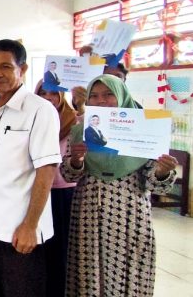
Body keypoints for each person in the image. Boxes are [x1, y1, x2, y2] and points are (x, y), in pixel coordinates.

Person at [62, 74, 178, 297]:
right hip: (88, 212)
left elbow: (156, 184)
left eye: (108, 95)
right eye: (94, 96)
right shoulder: (79, 131)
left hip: (129, 212)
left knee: (127, 267)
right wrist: (76, 161)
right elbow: (68, 175)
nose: (101, 101)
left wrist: (162, 171)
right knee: (88, 268)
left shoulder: (146, 128)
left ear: (122, 95)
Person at [0, 39, 61, 297]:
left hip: (16, 229)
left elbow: (47, 169)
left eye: (6, 66)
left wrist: (30, 226)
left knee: (21, 291)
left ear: (23, 69)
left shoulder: (39, 110)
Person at [34, 79, 78, 297]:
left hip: (63, 193)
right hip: (37, 192)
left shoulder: (74, 121)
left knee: (61, 249)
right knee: (40, 248)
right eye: (42, 93)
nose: (48, 98)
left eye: (53, 93)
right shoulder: (33, 120)